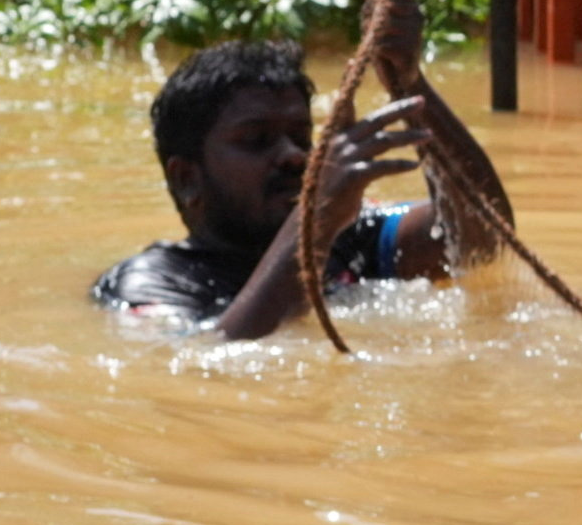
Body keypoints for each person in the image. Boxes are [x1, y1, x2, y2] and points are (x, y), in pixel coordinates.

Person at [97, 39, 449, 338]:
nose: (294, 156)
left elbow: (478, 240)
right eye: (256, 140)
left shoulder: (349, 236)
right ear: (187, 179)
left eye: (301, 137)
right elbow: (208, 363)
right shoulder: (150, 283)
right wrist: (317, 220)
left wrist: (409, 80)